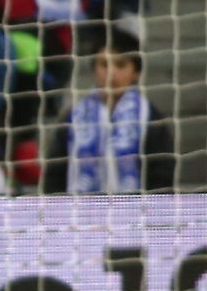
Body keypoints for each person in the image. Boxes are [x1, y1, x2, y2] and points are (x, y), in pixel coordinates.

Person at [43, 32, 175, 194]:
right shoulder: (73, 117)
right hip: (80, 215)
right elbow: (54, 175)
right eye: (104, 65)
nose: (111, 73)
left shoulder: (150, 117)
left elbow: (162, 175)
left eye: (120, 65)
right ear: (94, 68)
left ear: (136, 72)